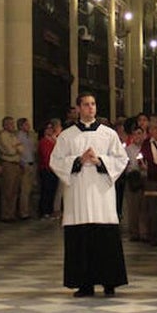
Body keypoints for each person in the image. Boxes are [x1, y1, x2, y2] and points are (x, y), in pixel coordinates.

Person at [50, 93, 129, 297]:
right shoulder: (67, 135)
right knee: (81, 237)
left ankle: (109, 282)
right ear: (78, 108)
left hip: (102, 195)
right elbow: (56, 161)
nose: (90, 108)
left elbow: (121, 159)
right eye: (86, 105)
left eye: (93, 104)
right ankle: (84, 284)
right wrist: (77, 160)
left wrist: (100, 161)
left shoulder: (108, 133)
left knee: (105, 238)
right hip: (78, 195)